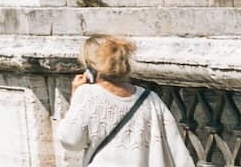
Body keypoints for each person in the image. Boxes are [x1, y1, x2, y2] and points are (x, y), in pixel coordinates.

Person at [57, 35, 196, 167]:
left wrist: (75, 95)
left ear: (91, 69)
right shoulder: (150, 98)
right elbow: (177, 150)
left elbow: (71, 141)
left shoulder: (87, 94)